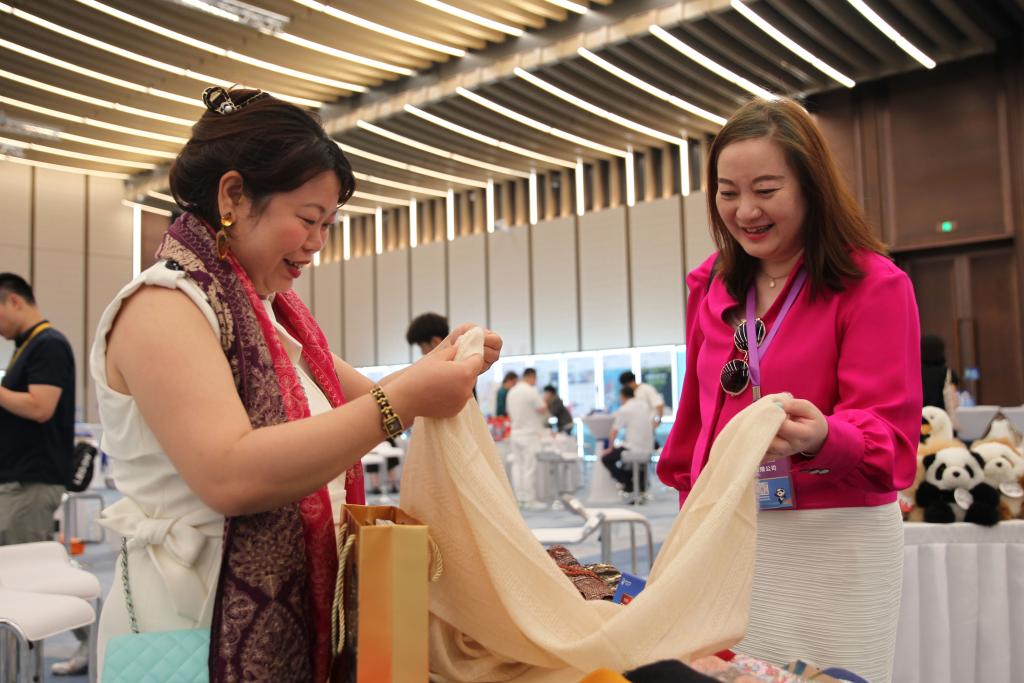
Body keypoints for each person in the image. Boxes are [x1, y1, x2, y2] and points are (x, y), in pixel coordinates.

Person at [90, 86, 502, 681]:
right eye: (308, 219)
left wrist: (445, 364)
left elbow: (373, 397)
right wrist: (405, 397)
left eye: (328, 225)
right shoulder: (163, 306)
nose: (317, 243)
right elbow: (232, 474)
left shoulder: (267, 316)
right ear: (233, 196)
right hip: (191, 620)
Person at [656, 98, 919, 683]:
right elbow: (695, 423)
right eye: (727, 192)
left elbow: (893, 441)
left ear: (810, 186)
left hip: (833, 540)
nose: (745, 211)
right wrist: (693, 519)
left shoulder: (872, 285)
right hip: (727, 532)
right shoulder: (712, 286)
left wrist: (825, 436)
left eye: (766, 190)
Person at [0, 273, 75, 546]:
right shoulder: (28, 345)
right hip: (20, 481)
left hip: (31, 483)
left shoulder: (48, 344)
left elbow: (40, 407)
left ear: (14, 301)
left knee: (24, 564)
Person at [505, 368, 548, 508]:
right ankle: (530, 500)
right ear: (532, 377)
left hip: (515, 433)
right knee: (529, 467)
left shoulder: (511, 392)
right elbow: (542, 408)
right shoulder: (531, 391)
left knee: (518, 467)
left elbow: (508, 412)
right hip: (529, 434)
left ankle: (520, 498)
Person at [601, 386, 655, 495]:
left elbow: (614, 431)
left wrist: (610, 448)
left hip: (633, 447)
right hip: (649, 447)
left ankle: (628, 483)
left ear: (623, 396)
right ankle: (635, 485)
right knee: (627, 459)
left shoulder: (625, 409)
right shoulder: (645, 406)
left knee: (606, 458)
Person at [921, 333, 959, 415]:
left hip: (919, 419)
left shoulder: (915, 373)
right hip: (941, 419)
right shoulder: (947, 373)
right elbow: (953, 403)